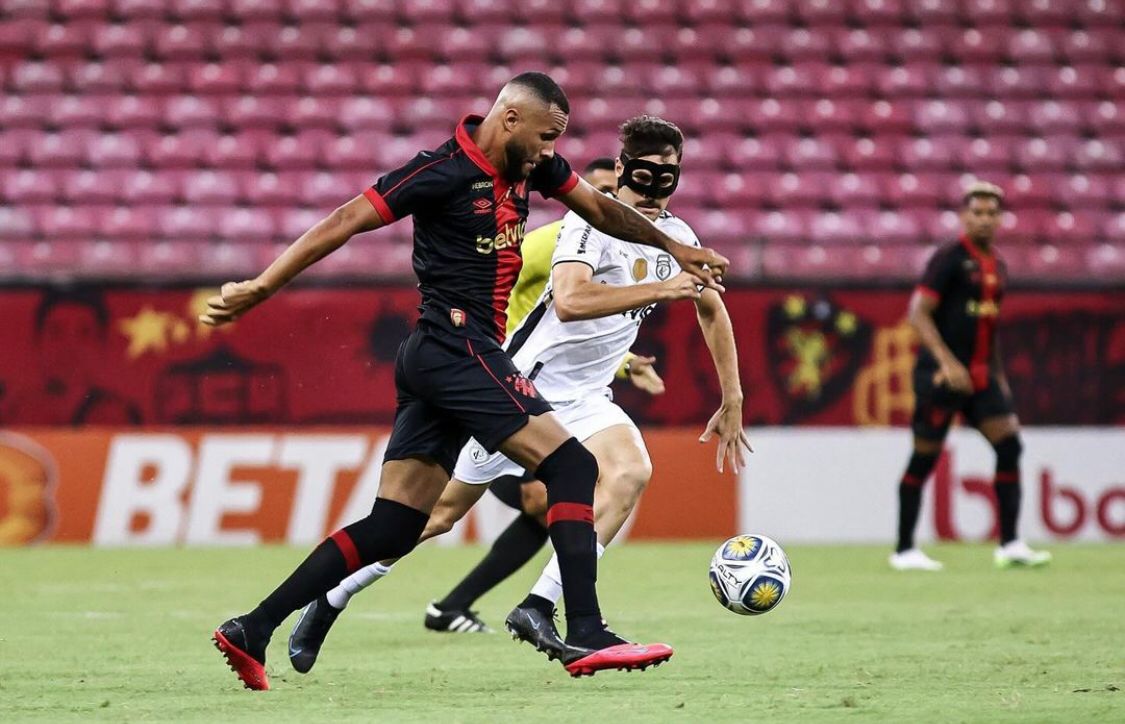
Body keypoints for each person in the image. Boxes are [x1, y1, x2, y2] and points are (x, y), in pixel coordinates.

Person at [201, 73, 729, 690]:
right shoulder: (440, 171)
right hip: (458, 348)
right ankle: (583, 630)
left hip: (439, 356)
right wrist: (263, 286)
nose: (546, 153)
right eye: (543, 138)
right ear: (509, 119)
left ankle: (252, 627)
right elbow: (346, 220)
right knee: (572, 468)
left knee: (397, 525)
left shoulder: (532, 166)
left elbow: (602, 209)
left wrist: (675, 247)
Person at [890, 181, 1050, 571]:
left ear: (1000, 219)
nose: (984, 219)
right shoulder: (949, 258)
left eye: (991, 213)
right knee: (923, 459)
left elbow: (987, 328)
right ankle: (904, 549)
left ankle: (1010, 544)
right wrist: (946, 363)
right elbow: (918, 312)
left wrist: (998, 377)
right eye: (976, 212)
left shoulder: (998, 266)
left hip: (980, 378)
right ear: (964, 217)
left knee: (1009, 445)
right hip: (941, 378)